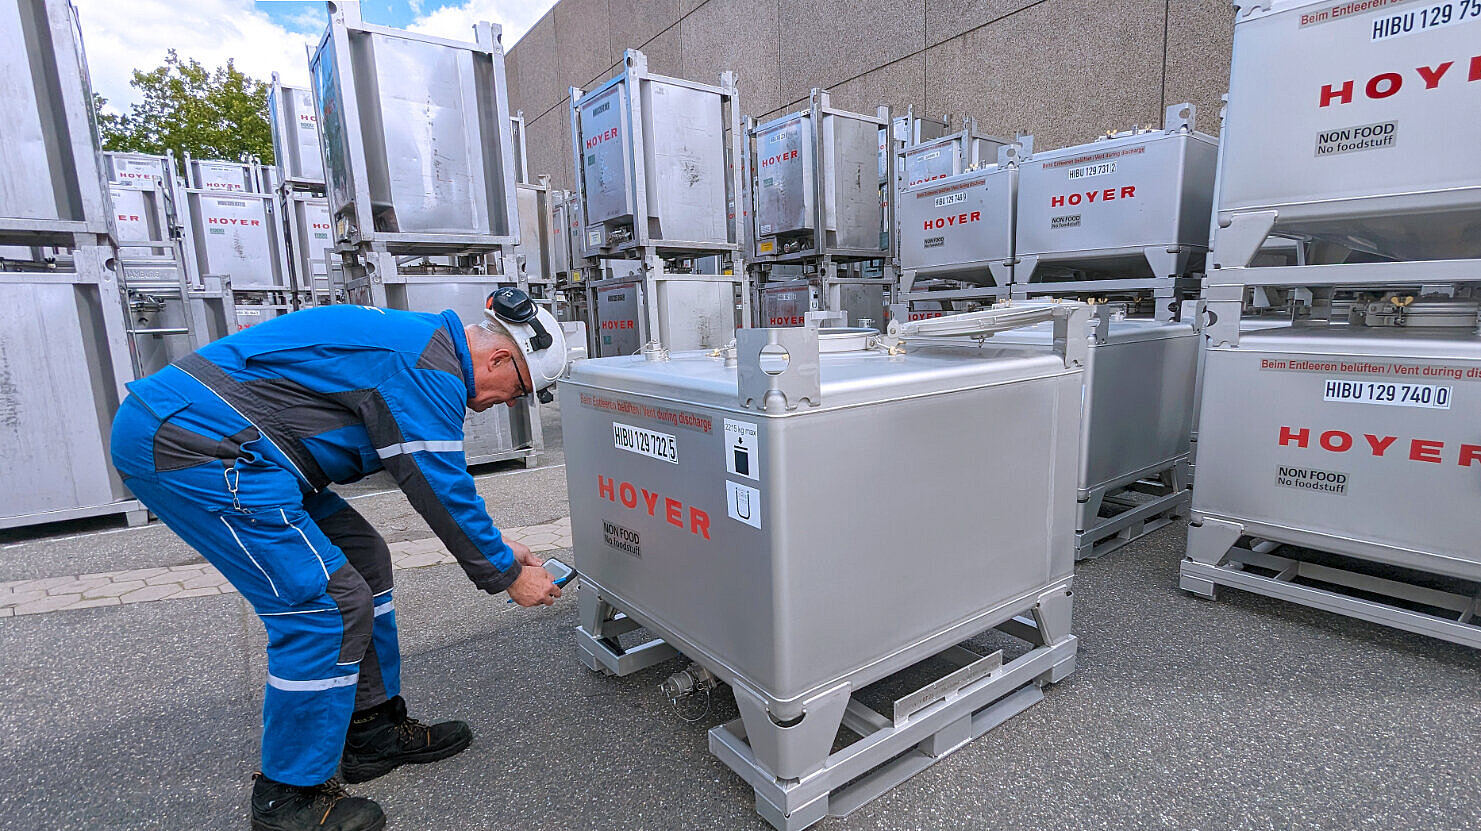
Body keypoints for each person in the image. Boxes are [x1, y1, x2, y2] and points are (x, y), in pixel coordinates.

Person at [110, 288, 569, 831]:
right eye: (518, 390)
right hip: (198, 447)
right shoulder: (429, 367)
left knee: (363, 558)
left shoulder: (422, 345)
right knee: (323, 605)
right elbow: (439, 487)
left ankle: (372, 730)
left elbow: (436, 486)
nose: (508, 403)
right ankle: (287, 797)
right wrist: (508, 574)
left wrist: (498, 549)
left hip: (245, 450)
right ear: (498, 358)